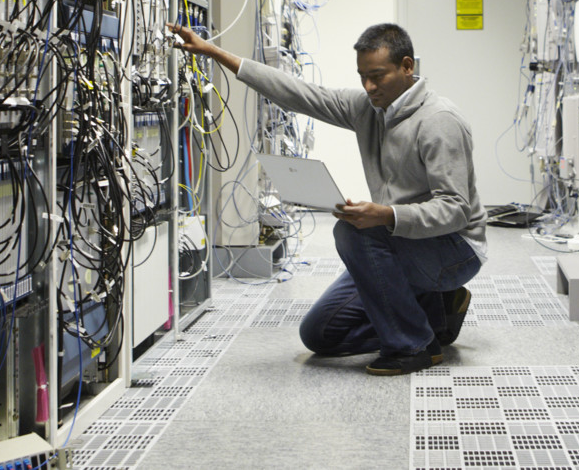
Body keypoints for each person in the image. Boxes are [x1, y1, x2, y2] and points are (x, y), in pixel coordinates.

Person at [168, 21, 485, 375]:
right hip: (403, 243)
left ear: (408, 67)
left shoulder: (439, 122)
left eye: (377, 76)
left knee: (355, 234)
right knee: (321, 334)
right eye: (363, 76)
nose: (368, 86)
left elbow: (455, 210)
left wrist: (386, 215)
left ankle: (414, 345)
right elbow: (299, 93)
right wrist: (215, 53)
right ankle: (433, 316)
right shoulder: (369, 108)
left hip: (454, 250)